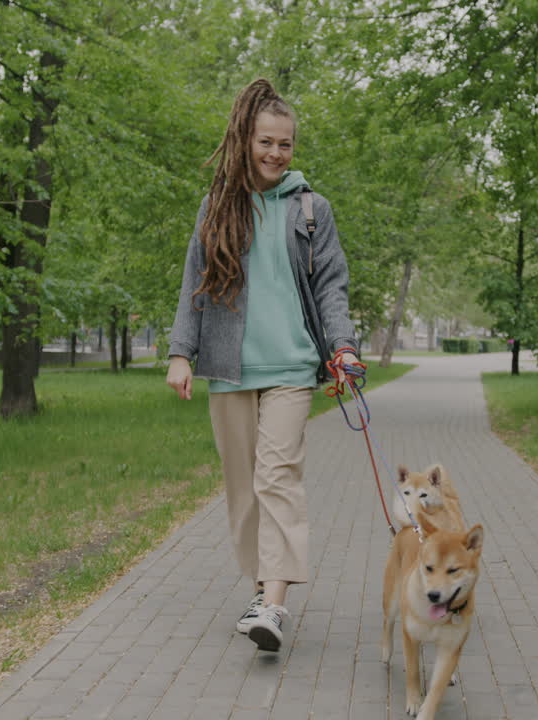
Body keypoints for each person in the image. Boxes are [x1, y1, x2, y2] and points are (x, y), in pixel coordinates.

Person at [165, 79, 360, 652]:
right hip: (229, 368)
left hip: (293, 369)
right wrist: (181, 352)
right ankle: (259, 586)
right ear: (244, 140)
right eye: (266, 142)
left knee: (278, 478)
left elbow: (332, 287)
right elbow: (193, 285)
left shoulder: (310, 209)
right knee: (243, 490)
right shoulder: (218, 206)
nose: (276, 153)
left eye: (286, 144)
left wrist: (343, 348)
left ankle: (274, 603)